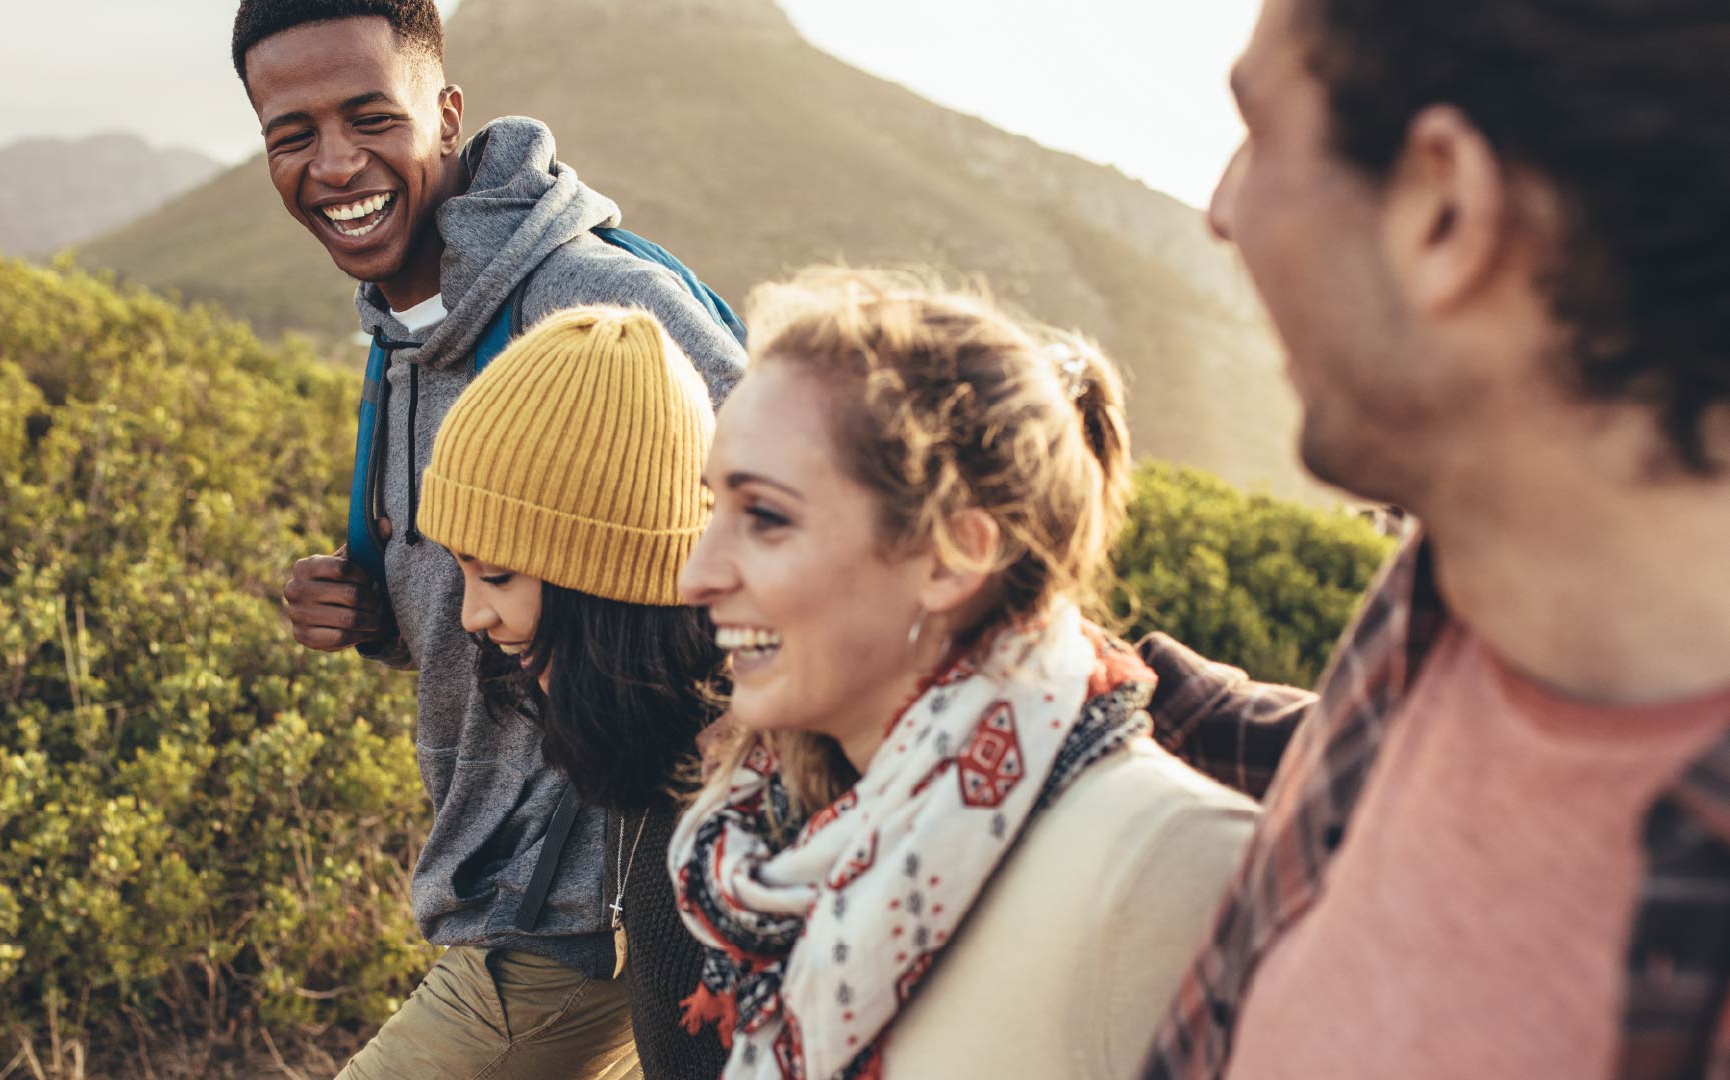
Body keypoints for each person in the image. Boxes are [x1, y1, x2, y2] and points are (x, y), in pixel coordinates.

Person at [1136, 0, 1730, 1076]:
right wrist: (1137, 681)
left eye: (1260, 134)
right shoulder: (1468, 568)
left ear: (1442, 208)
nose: (1223, 208)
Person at [237, 1, 747, 1074]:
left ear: (447, 113)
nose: (334, 165)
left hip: (578, 912)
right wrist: (381, 615)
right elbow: (500, 586)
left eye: (370, 117)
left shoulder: (593, 298)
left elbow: (801, 500)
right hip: (501, 897)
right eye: (293, 134)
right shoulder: (401, 331)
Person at [668, 269, 1259, 1079]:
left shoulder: (1169, 867)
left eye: (764, 517)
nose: (694, 576)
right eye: (714, 512)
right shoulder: (791, 843)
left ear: (954, 555)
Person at [413, 305, 733, 1079]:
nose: (470, 615)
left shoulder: (726, 822)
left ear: (610, 580)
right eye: (459, 569)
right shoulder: (666, 767)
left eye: (497, 574)